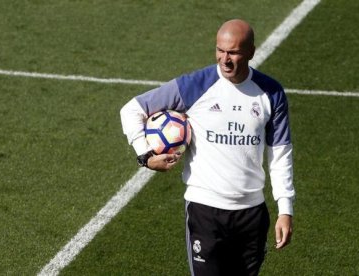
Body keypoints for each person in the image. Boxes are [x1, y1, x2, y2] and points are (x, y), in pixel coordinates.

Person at [120, 19, 295, 276]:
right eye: (220, 50)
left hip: (251, 215)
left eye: (233, 52)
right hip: (205, 211)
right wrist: (145, 156)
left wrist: (285, 209)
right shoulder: (196, 85)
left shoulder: (271, 93)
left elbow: (280, 154)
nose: (225, 59)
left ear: (251, 52)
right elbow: (132, 109)